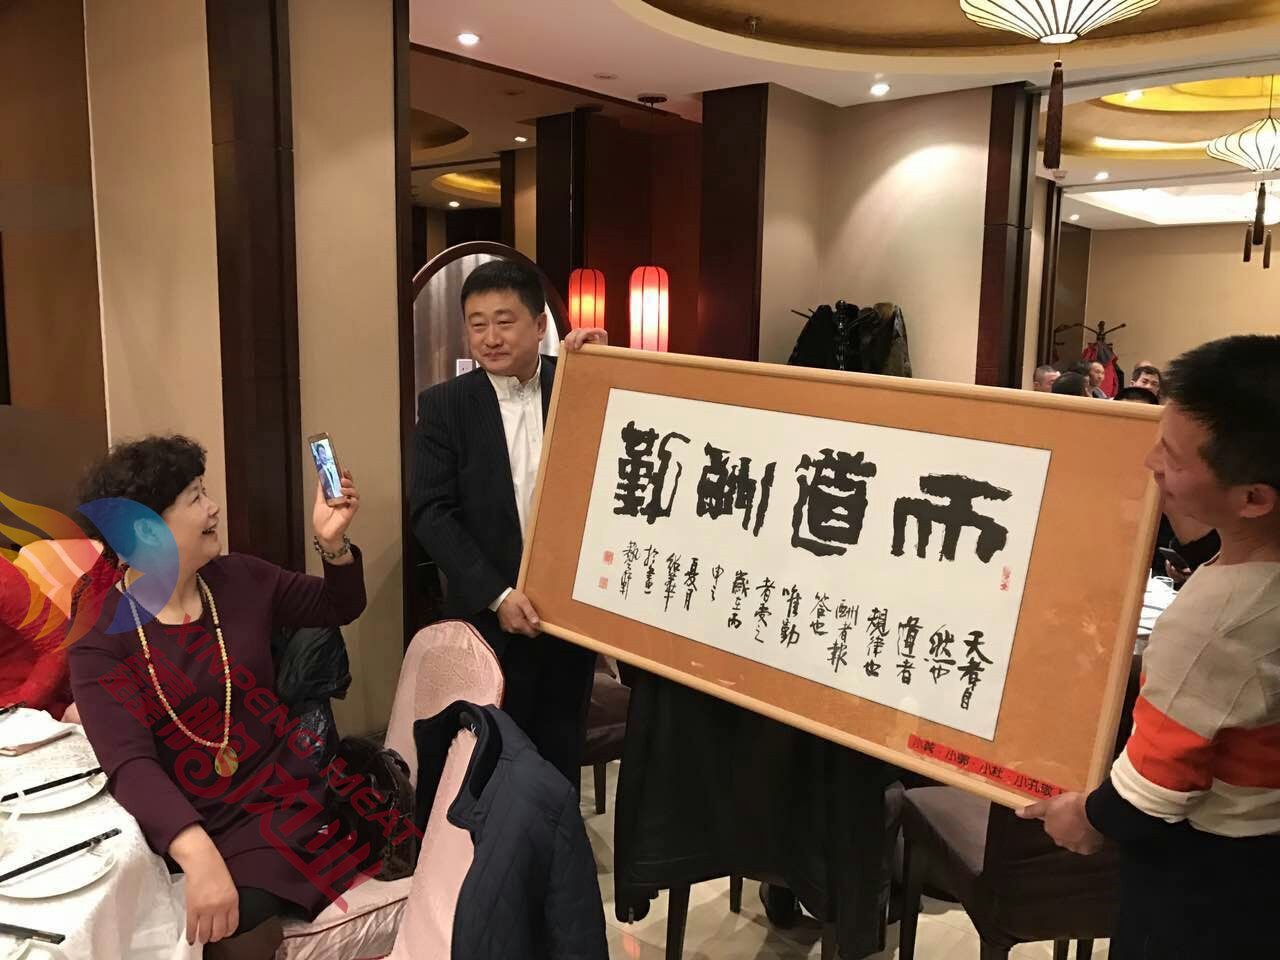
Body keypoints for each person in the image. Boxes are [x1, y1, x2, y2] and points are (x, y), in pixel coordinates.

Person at [1019, 335, 1280, 958]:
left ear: (1253, 498)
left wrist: (1084, 818)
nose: (1149, 461)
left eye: (1172, 456)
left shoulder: (1216, 624)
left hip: (1209, 880)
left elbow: (1155, 789)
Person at [68, 436, 366, 959]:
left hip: (277, 802)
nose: (213, 508)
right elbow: (130, 764)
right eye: (195, 498)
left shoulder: (240, 579)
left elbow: (338, 605)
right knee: (141, 914)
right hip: (180, 817)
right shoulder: (100, 639)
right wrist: (198, 853)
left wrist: (333, 543)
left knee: (225, 921)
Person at [411, 260, 605, 786]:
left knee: (560, 756)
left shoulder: (578, 383)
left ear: (540, 326)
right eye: (477, 325)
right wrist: (498, 595)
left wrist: (610, 364)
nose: (490, 338)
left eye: (504, 321)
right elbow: (431, 512)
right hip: (488, 619)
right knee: (489, 764)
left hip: (567, 619)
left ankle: (557, 835)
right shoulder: (445, 406)